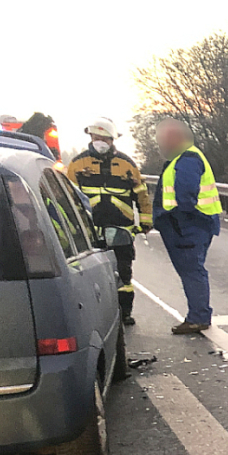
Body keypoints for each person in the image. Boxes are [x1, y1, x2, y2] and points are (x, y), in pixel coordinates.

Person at [66, 118, 152, 325]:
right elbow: (67, 198)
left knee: (123, 275)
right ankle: (96, 315)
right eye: (96, 137)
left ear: (112, 140)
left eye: (104, 138)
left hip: (121, 230)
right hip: (89, 233)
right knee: (90, 275)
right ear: (90, 138)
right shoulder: (78, 164)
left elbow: (141, 195)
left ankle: (125, 313)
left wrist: (146, 222)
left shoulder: (126, 165)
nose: (100, 141)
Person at [153, 118, 222, 334]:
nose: (160, 144)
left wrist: (176, 220)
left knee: (192, 271)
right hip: (191, 225)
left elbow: (185, 195)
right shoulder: (184, 158)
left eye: (163, 139)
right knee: (192, 271)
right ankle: (198, 315)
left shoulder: (188, 159)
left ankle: (198, 317)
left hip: (188, 227)